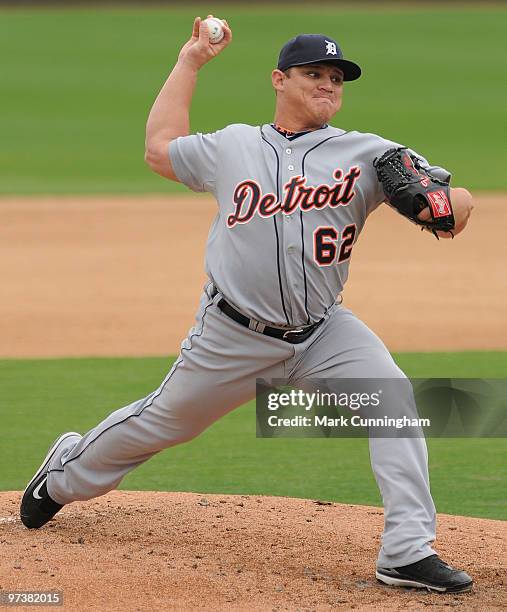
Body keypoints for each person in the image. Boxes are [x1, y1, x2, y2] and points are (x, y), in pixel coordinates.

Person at [21, 16, 474, 594]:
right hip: (232, 335)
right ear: (279, 80)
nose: (328, 86)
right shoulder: (233, 146)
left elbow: (454, 211)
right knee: (162, 424)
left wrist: (444, 199)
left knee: (393, 402)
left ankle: (407, 552)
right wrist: (190, 62)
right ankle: (62, 476)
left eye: (337, 78)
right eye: (314, 74)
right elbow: (160, 150)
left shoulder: (371, 153)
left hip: (323, 331)